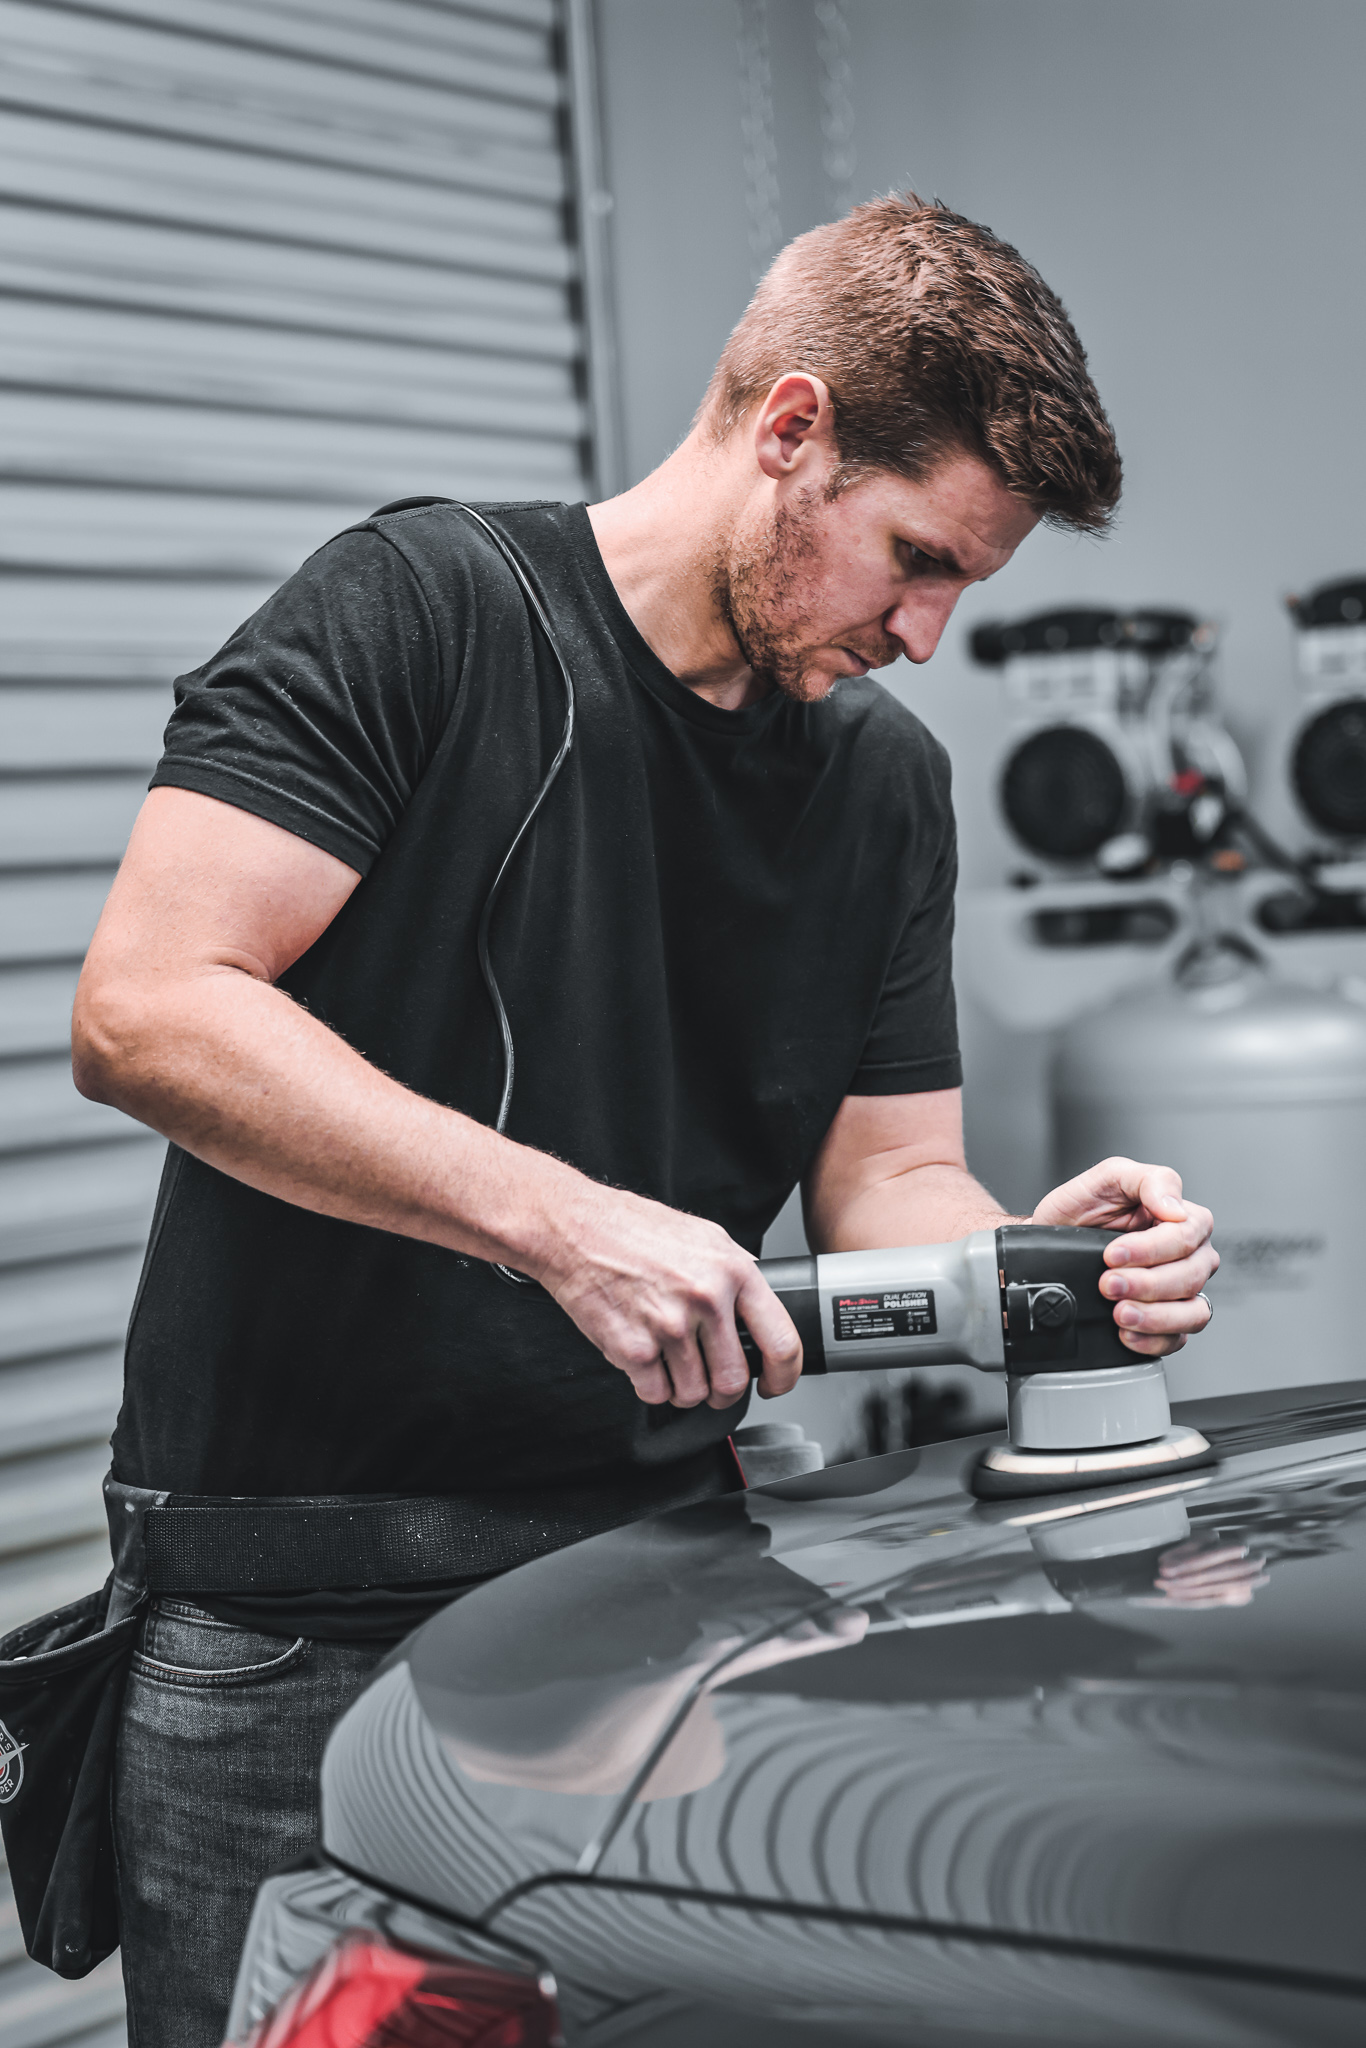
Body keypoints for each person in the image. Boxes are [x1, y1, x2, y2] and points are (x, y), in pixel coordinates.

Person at [72, 194, 1217, 2045]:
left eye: (964, 591)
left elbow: (890, 1182)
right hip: (294, 1620)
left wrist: (1042, 1268)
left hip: (658, 1594)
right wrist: (558, 1217)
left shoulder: (881, 786)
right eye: (914, 559)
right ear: (789, 431)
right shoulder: (423, 610)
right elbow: (146, 1007)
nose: (927, 636)